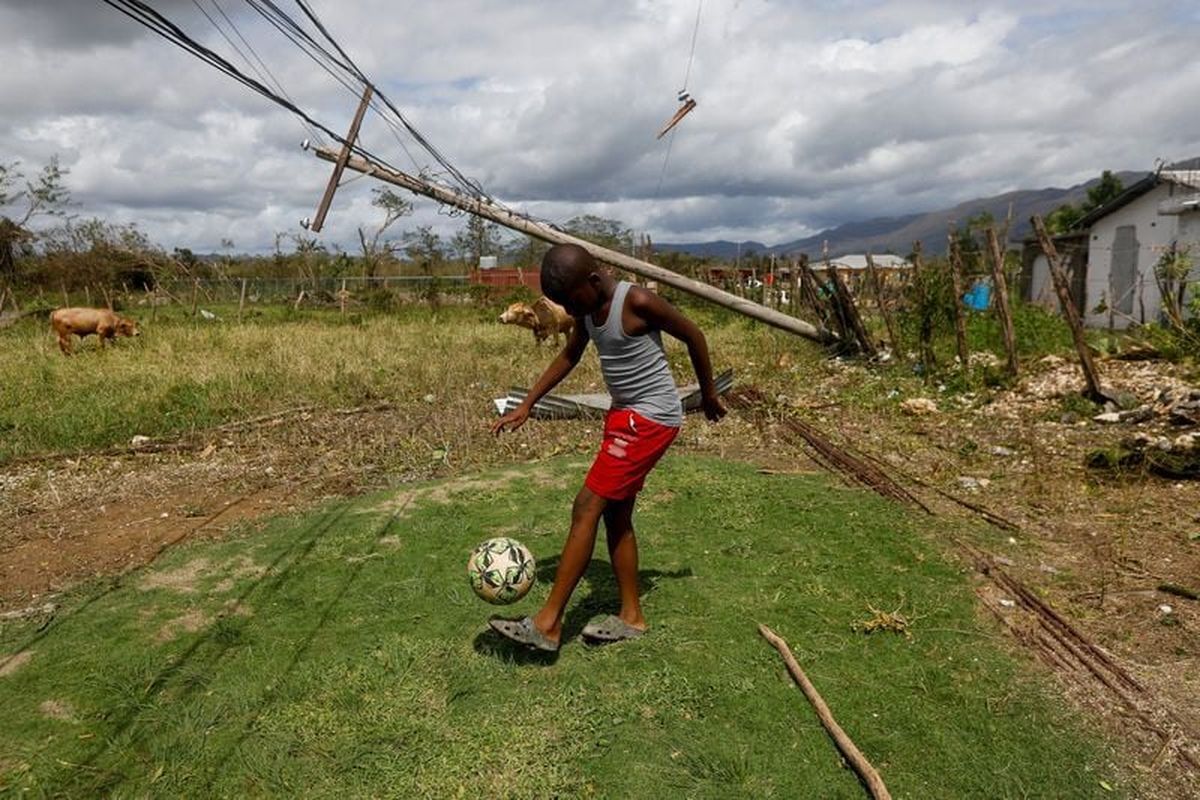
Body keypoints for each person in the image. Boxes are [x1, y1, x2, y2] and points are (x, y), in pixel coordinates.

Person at [489, 242, 726, 652]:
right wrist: (527, 404)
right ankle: (632, 617)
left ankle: (547, 625)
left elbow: (693, 334)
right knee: (615, 515)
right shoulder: (586, 309)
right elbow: (570, 355)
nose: (568, 309)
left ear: (594, 280)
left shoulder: (635, 300)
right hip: (624, 416)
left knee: (586, 506)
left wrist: (707, 395)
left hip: (649, 419)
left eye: (570, 299)